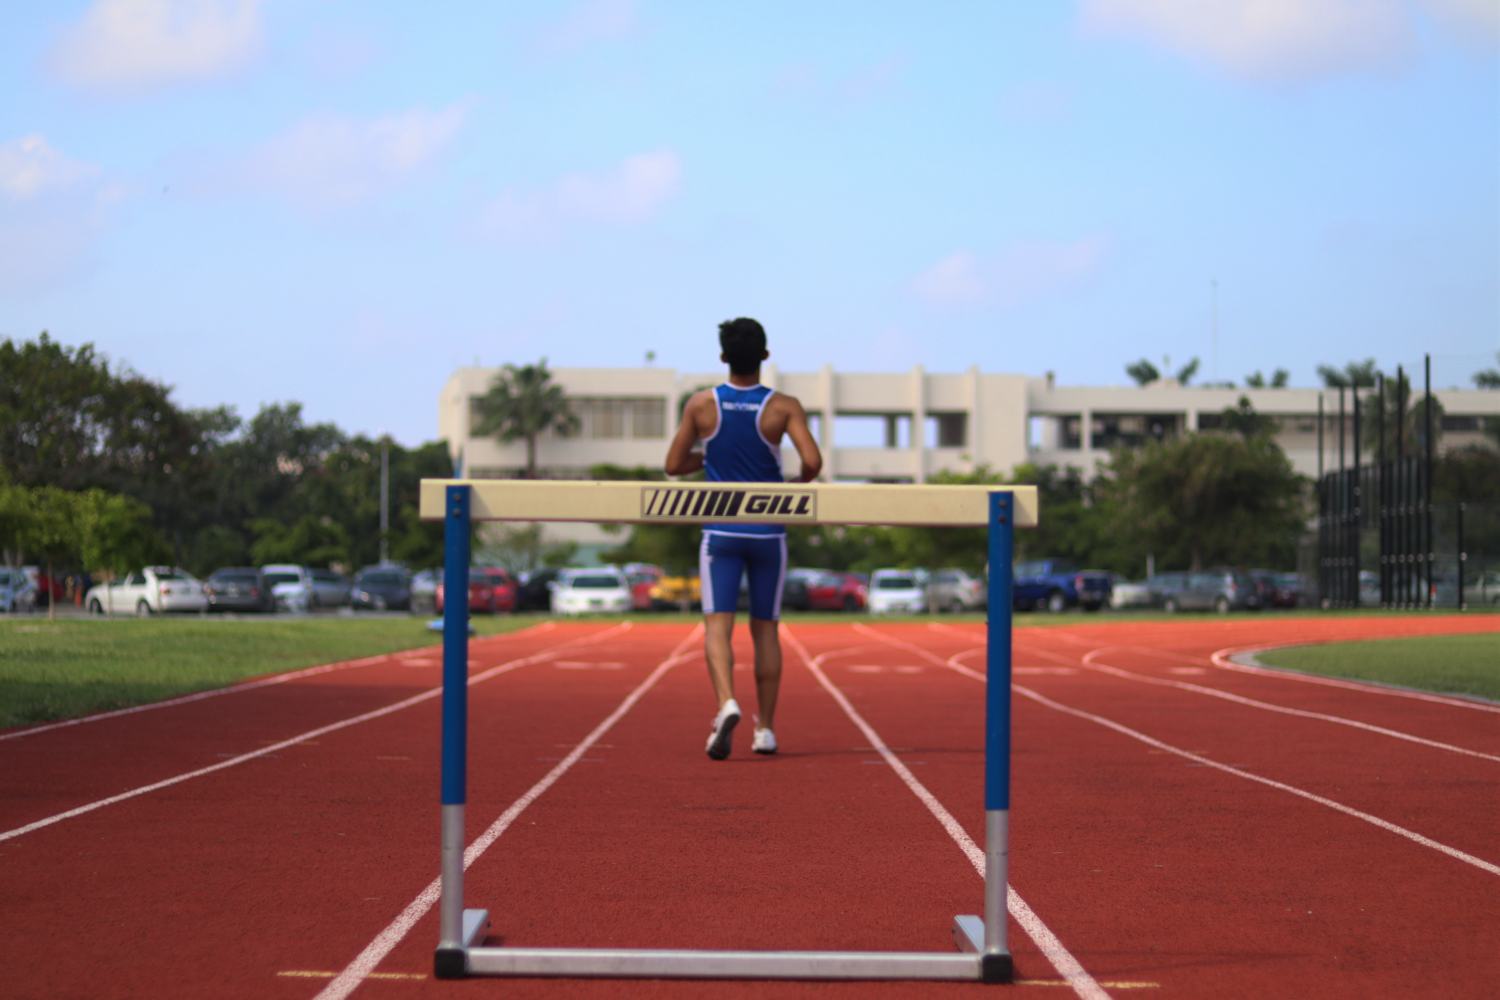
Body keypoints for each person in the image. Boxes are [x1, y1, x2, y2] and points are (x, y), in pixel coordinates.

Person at [664, 317, 823, 760]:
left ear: (723, 358)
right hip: (769, 531)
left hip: (721, 531)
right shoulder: (784, 406)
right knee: (766, 629)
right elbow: (812, 461)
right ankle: (767, 729)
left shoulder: (701, 405)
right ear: (766, 356)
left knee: (718, 625)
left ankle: (726, 703)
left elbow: (673, 465)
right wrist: (796, 483)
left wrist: (711, 452)